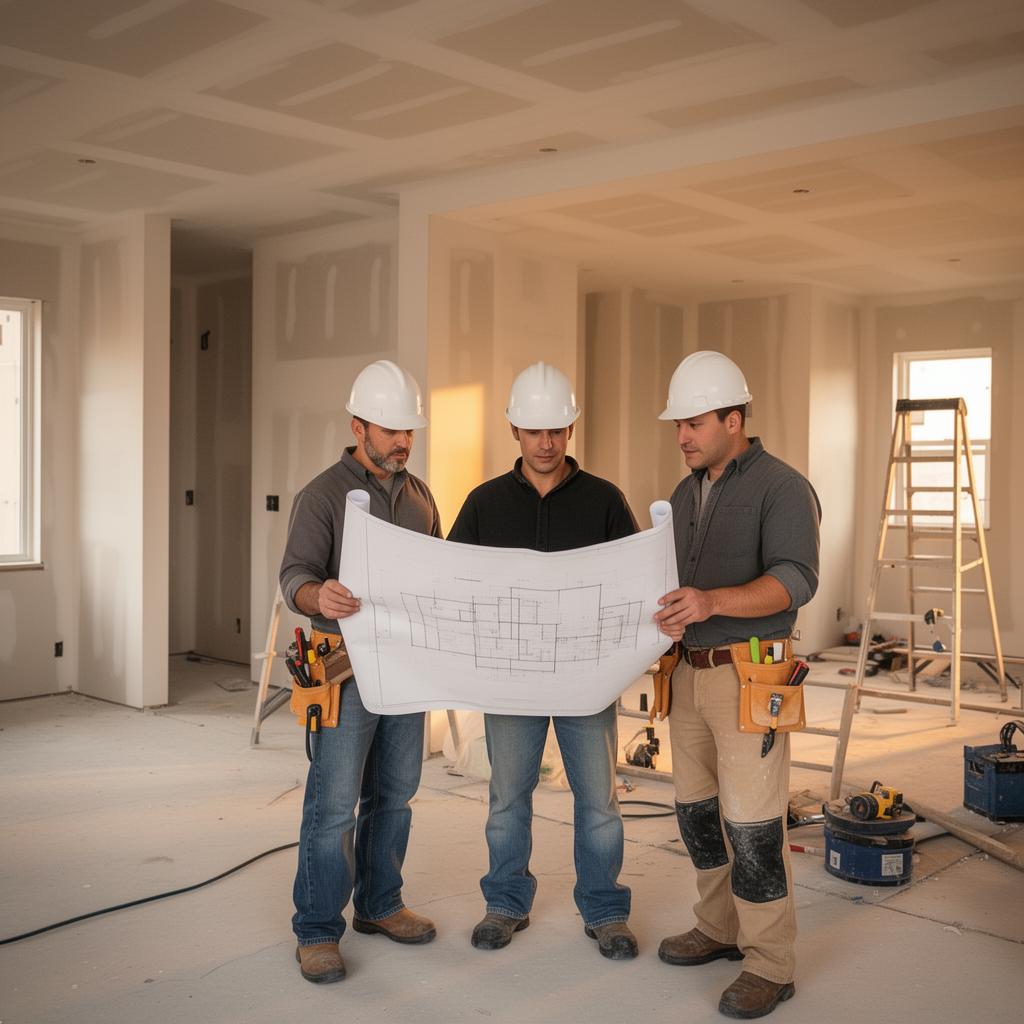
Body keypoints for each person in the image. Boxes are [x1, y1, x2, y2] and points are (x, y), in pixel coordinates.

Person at [448, 362, 641, 961]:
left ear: (572, 426)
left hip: (586, 679)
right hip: (511, 680)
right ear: (514, 429)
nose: (547, 442)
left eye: (557, 429)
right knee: (508, 797)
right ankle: (505, 902)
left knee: (599, 801)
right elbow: (452, 581)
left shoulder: (605, 500)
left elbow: (635, 580)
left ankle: (605, 911)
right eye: (534, 431)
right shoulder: (483, 504)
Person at [653, 351, 821, 1020]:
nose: (683, 436)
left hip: (750, 673)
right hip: (688, 674)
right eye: (679, 425)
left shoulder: (781, 487)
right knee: (697, 815)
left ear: (733, 418)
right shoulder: (685, 490)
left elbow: (796, 580)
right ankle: (718, 927)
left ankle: (770, 964)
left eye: (693, 422)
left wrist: (710, 601)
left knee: (752, 826)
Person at [279, 359, 442, 984]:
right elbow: (294, 575)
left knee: (395, 795)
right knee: (332, 804)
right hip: (343, 671)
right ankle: (318, 930)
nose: (402, 441)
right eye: (390, 430)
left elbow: (438, 572)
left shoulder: (421, 496)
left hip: (405, 669)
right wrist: (318, 596)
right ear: (358, 426)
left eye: (409, 431)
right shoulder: (322, 495)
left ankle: (380, 903)